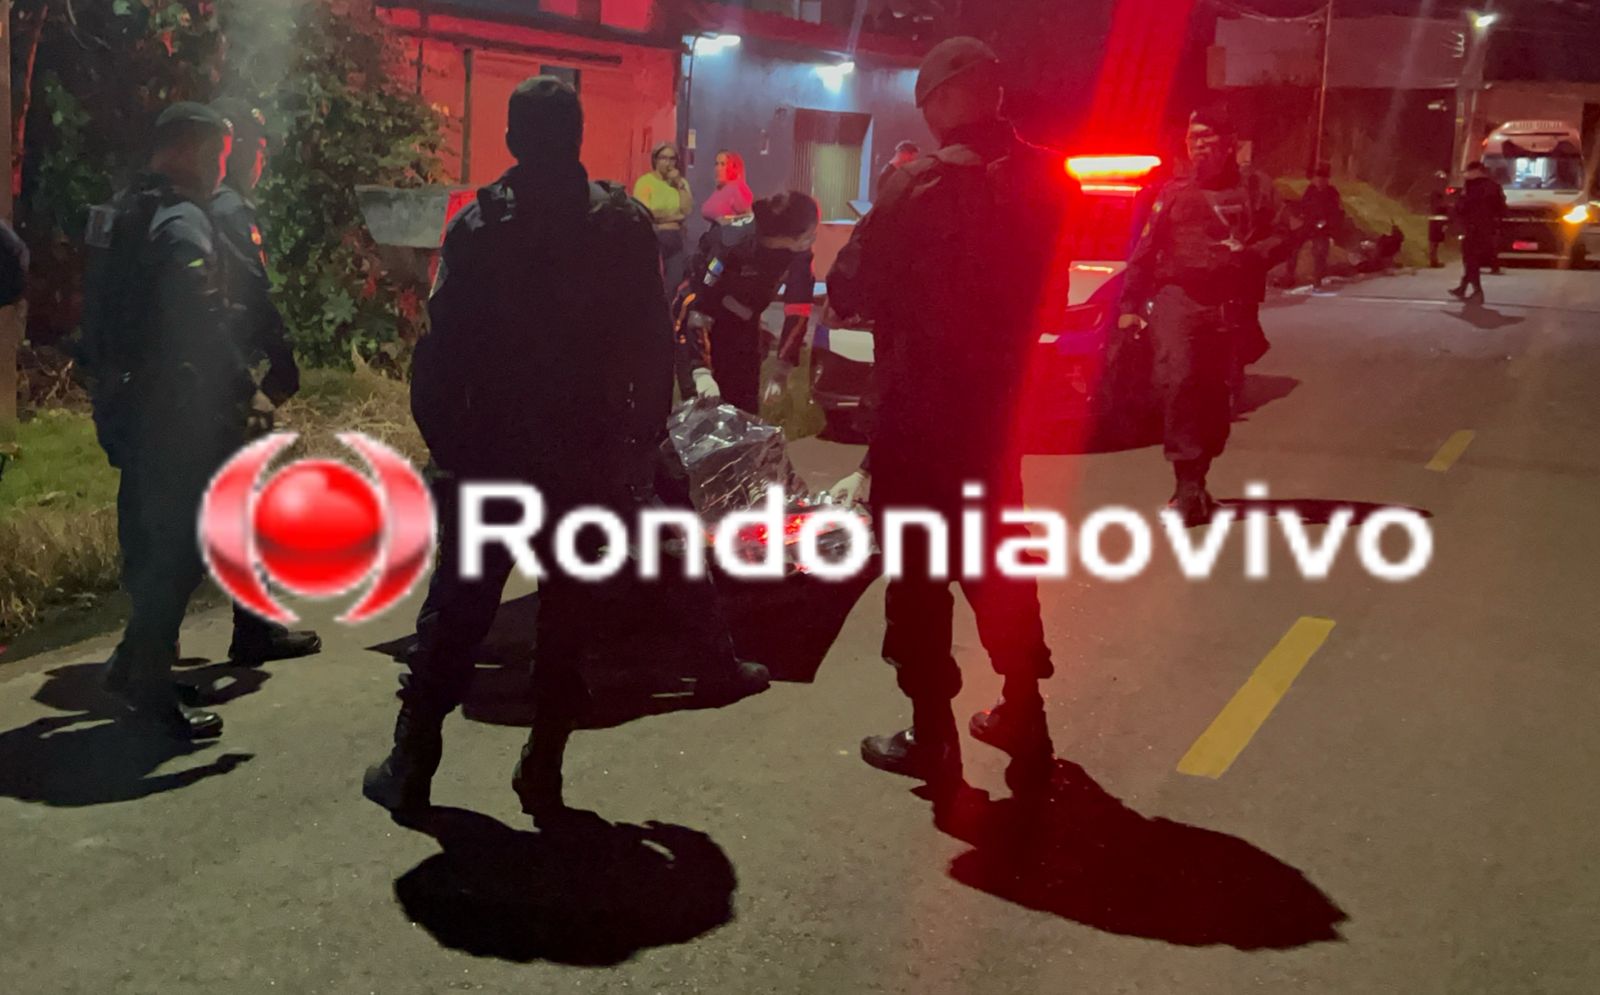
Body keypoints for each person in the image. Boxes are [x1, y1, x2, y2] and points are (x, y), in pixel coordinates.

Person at [363, 77, 679, 824]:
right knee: (569, 613)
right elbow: (652, 344)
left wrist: (448, 449)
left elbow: (439, 353)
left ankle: (413, 762)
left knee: (459, 608)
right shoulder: (622, 225)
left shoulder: (480, 226)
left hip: (494, 453)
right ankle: (544, 766)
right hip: (587, 453)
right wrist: (640, 442)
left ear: (511, 139)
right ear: (576, 137)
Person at [824, 37, 1077, 784]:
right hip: (998, 412)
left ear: (942, 101)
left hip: (918, 416)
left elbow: (851, 285)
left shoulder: (917, 184)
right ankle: (1025, 717)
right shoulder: (1051, 178)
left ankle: (933, 733)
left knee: (919, 574)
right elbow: (1052, 297)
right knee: (997, 559)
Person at [79, 103, 251, 739]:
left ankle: (135, 664)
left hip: (124, 401)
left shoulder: (124, 211)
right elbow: (196, 315)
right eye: (217, 155)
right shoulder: (181, 221)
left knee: (156, 540)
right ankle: (148, 687)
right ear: (190, 150)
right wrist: (244, 386)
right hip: (170, 409)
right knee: (182, 547)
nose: (221, 169)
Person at [1117, 104, 1295, 526]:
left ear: (1229, 144)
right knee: (1179, 381)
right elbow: (1145, 250)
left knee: (1215, 394)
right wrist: (1128, 306)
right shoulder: (1174, 192)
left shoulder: (1255, 188)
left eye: (1206, 138)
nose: (1198, 146)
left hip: (1228, 303)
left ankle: (1198, 481)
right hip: (1178, 298)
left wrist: (1250, 256)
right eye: (1192, 138)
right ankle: (1185, 485)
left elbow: (1285, 234)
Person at [208, 97, 322, 667]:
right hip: (224, 373)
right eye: (256, 148)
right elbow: (252, 294)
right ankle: (252, 630)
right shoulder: (229, 211)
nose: (261, 159)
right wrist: (281, 361)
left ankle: (156, 633)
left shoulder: (194, 207)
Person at [675, 191, 818, 415]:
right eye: (809, 234)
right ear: (788, 233)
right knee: (704, 410)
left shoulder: (798, 253)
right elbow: (699, 302)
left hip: (744, 322)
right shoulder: (730, 242)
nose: (811, 240)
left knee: (744, 407)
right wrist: (700, 370)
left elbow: (799, 309)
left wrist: (782, 369)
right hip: (701, 321)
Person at [633, 142, 694, 297]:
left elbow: (687, 210)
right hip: (655, 236)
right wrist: (674, 217)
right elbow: (646, 212)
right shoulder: (645, 182)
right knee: (653, 282)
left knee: (673, 283)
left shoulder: (681, 183)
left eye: (672, 159)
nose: (668, 163)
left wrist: (679, 184)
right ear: (655, 160)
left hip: (676, 239)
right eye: (664, 158)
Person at [1450, 160, 1504, 303]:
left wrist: (1456, 217)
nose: (1467, 174)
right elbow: (1501, 208)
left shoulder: (1472, 186)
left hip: (1472, 227)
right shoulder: (1494, 186)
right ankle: (1463, 288)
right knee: (1472, 259)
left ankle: (1477, 291)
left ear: (1475, 171)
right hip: (1488, 229)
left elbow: (1463, 206)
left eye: (1468, 171)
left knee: (1470, 260)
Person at [1297, 163, 1342, 289]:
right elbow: (1303, 205)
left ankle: (1318, 278)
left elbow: (1335, 211)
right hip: (1309, 225)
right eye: (1318, 178)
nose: (1320, 181)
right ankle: (1289, 275)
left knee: (1320, 251)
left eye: (1323, 179)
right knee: (1293, 246)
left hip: (1323, 227)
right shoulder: (1310, 191)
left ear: (1327, 180)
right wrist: (1302, 217)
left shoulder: (1332, 193)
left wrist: (1327, 223)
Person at [701, 149, 754, 226]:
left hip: (728, 232)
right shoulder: (720, 190)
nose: (718, 168)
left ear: (733, 168)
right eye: (716, 164)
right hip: (716, 231)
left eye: (723, 164)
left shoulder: (737, 187)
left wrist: (728, 220)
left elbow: (748, 217)